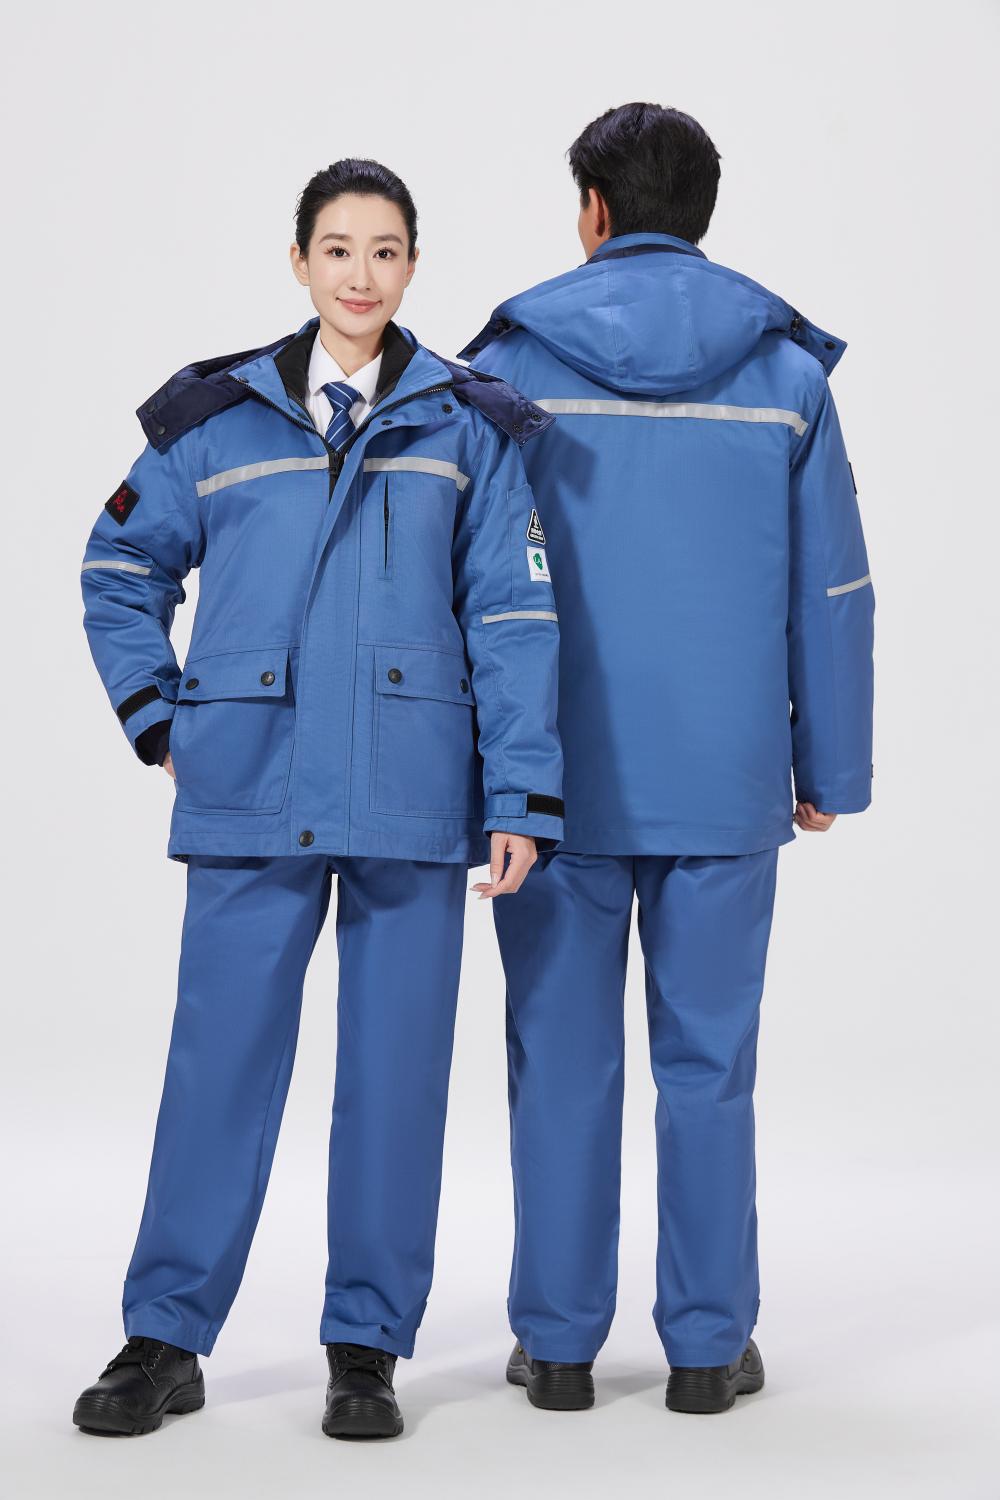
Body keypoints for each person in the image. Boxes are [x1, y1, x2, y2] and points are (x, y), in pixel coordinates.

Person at [74, 158, 563, 1441]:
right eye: (337, 249)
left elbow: (514, 617)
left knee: (396, 1078)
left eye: (385, 251)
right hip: (250, 780)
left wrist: (519, 792)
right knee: (217, 1067)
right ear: (299, 262)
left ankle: (366, 1345)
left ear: (413, 266)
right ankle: (164, 1337)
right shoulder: (215, 421)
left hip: (412, 787)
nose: (361, 275)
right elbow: (118, 565)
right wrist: (157, 718)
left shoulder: (467, 423)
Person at [459, 103, 875, 1415]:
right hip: (725, 778)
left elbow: (461, 579)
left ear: (592, 210)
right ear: (702, 210)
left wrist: (468, 768)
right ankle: (704, 1349)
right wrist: (831, 767)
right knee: (708, 1068)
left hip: (550, 788)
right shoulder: (786, 379)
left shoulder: (508, 368)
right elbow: (833, 591)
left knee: (559, 1065)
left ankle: (558, 1348)